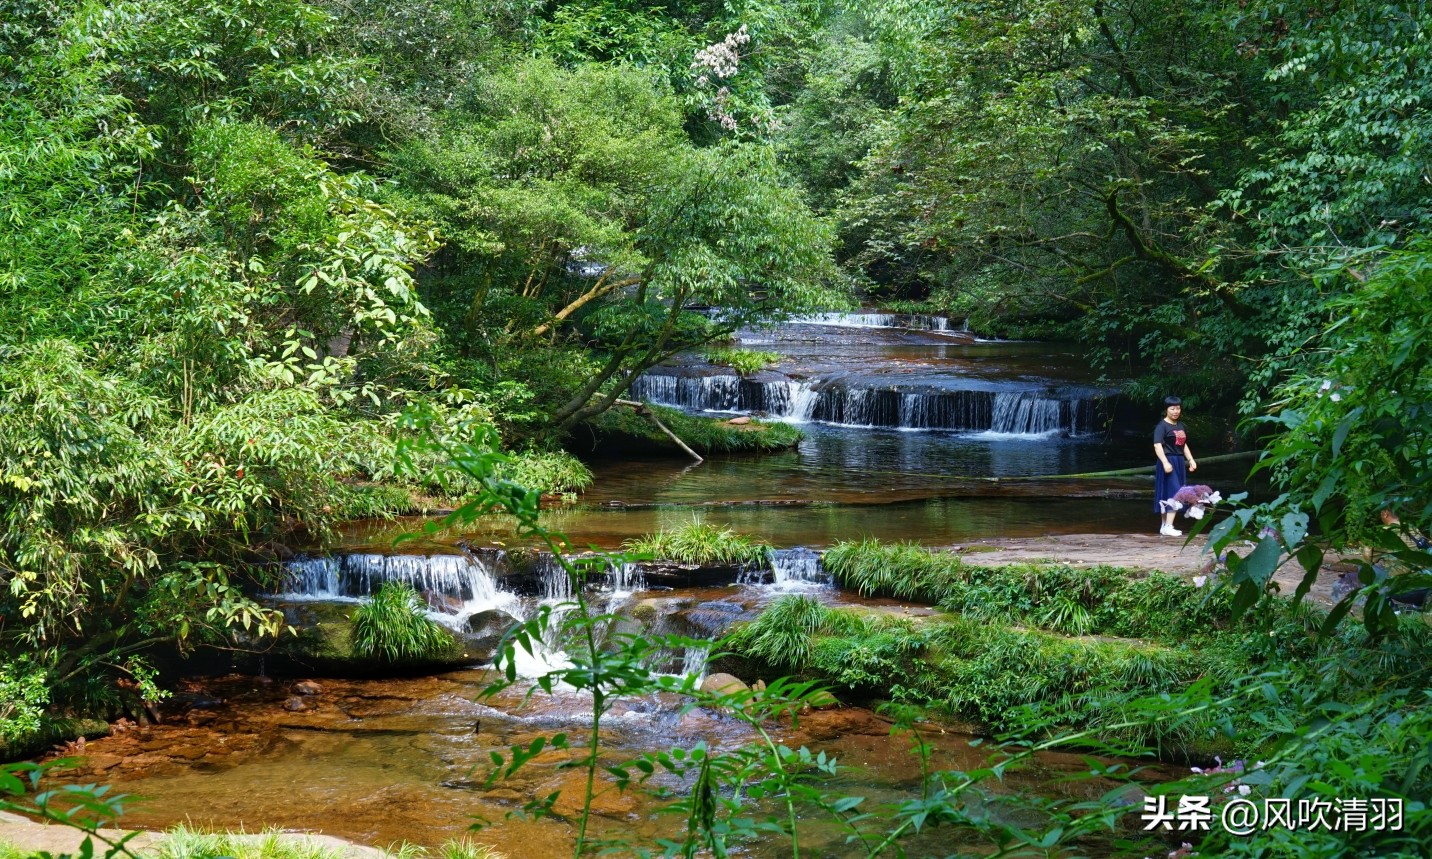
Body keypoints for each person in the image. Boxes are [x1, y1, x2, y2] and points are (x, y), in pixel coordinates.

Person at [1153, 396, 1197, 536]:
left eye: (1178, 408)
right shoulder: (1162, 426)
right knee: (1174, 492)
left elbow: (1183, 445)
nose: (1175, 411)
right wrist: (1165, 462)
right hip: (1168, 461)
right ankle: (1168, 526)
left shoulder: (1180, 425)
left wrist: (1190, 459)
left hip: (1179, 462)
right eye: (1172, 409)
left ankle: (1165, 526)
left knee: (1172, 492)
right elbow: (1157, 445)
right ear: (1166, 410)